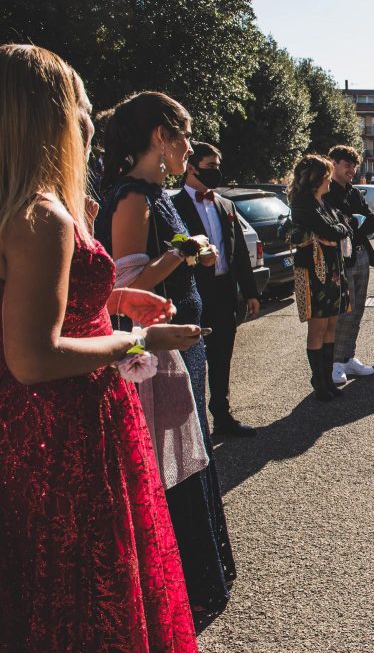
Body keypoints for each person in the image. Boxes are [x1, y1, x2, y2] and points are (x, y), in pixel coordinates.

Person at [0, 43, 200, 650]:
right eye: (82, 109)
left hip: (37, 424)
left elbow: (32, 304)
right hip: (61, 428)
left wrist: (110, 302)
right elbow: (33, 356)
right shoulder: (42, 215)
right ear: (50, 116)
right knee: (82, 586)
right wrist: (133, 339)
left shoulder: (25, 207)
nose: (89, 123)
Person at [95, 90, 237, 613]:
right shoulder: (133, 197)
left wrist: (188, 253)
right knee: (171, 455)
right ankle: (183, 583)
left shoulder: (155, 196)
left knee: (189, 443)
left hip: (181, 341)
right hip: (156, 346)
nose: (188, 149)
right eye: (183, 136)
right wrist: (183, 251)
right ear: (161, 137)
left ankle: (197, 574)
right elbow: (125, 283)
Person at [174, 142, 260, 437]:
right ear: (191, 167)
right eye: (210, 166)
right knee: (192, 360)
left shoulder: (226, 205)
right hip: (191, 294)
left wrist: (250, 292)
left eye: (217, 165)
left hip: (225, 292)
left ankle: (222, 417)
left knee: (222, 356)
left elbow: (238, 255)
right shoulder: (174, 206)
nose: (216, 172)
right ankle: (193, 427)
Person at [285, 154, 352, 401]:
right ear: (316, 179)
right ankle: (319, 381)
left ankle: (326, 378)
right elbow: (331, 230)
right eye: (326, 176)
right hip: (315, 271)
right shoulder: (303, 204)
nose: (329, 181)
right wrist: (334, 232)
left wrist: (335, 232)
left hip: (332, 269)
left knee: (332, 323)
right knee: (318, 326)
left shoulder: (324, 203)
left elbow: (343, 228)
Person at [325, 145, 374, 386]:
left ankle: (348, 357)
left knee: (357, 311)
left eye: (354, 166)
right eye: (347, 165)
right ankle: (335, 362)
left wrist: (354, 224)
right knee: (344, 310)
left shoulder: (354, 192)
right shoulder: (325, 191)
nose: (352, 170)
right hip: (339, 259)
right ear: (333, 163)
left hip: (361, 256)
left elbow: (372, 221)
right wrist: (356, 224)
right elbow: (337, 225)